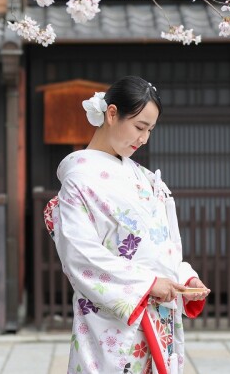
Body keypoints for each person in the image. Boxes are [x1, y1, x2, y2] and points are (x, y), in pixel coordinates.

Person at [43, 76, 209, 374]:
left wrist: (185, 279)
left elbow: (166, 246)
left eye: (150, 130)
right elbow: (80, 255)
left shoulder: (146, 178)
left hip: (159, 314)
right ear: (111, 114)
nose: (143, 138)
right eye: (139, 127)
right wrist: (147, 284)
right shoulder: (79, 180)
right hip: (113, 320)